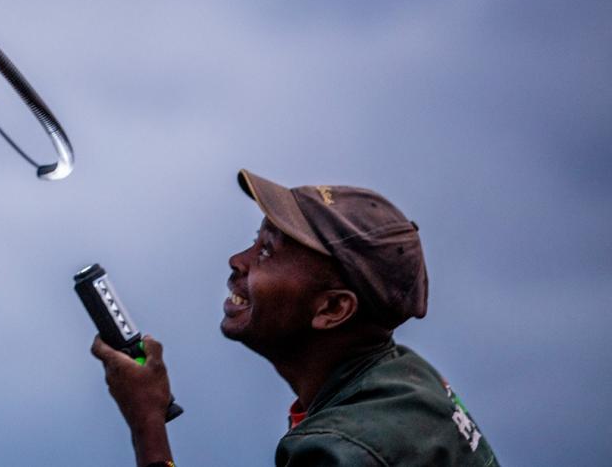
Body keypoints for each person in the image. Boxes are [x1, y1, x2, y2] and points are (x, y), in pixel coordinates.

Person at [91, 170, 500, 467]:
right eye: (256, 239)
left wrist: (147, 422)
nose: (238, 261)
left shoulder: (339, 451)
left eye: (268, 250)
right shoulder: (406, 378)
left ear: (332, 309)